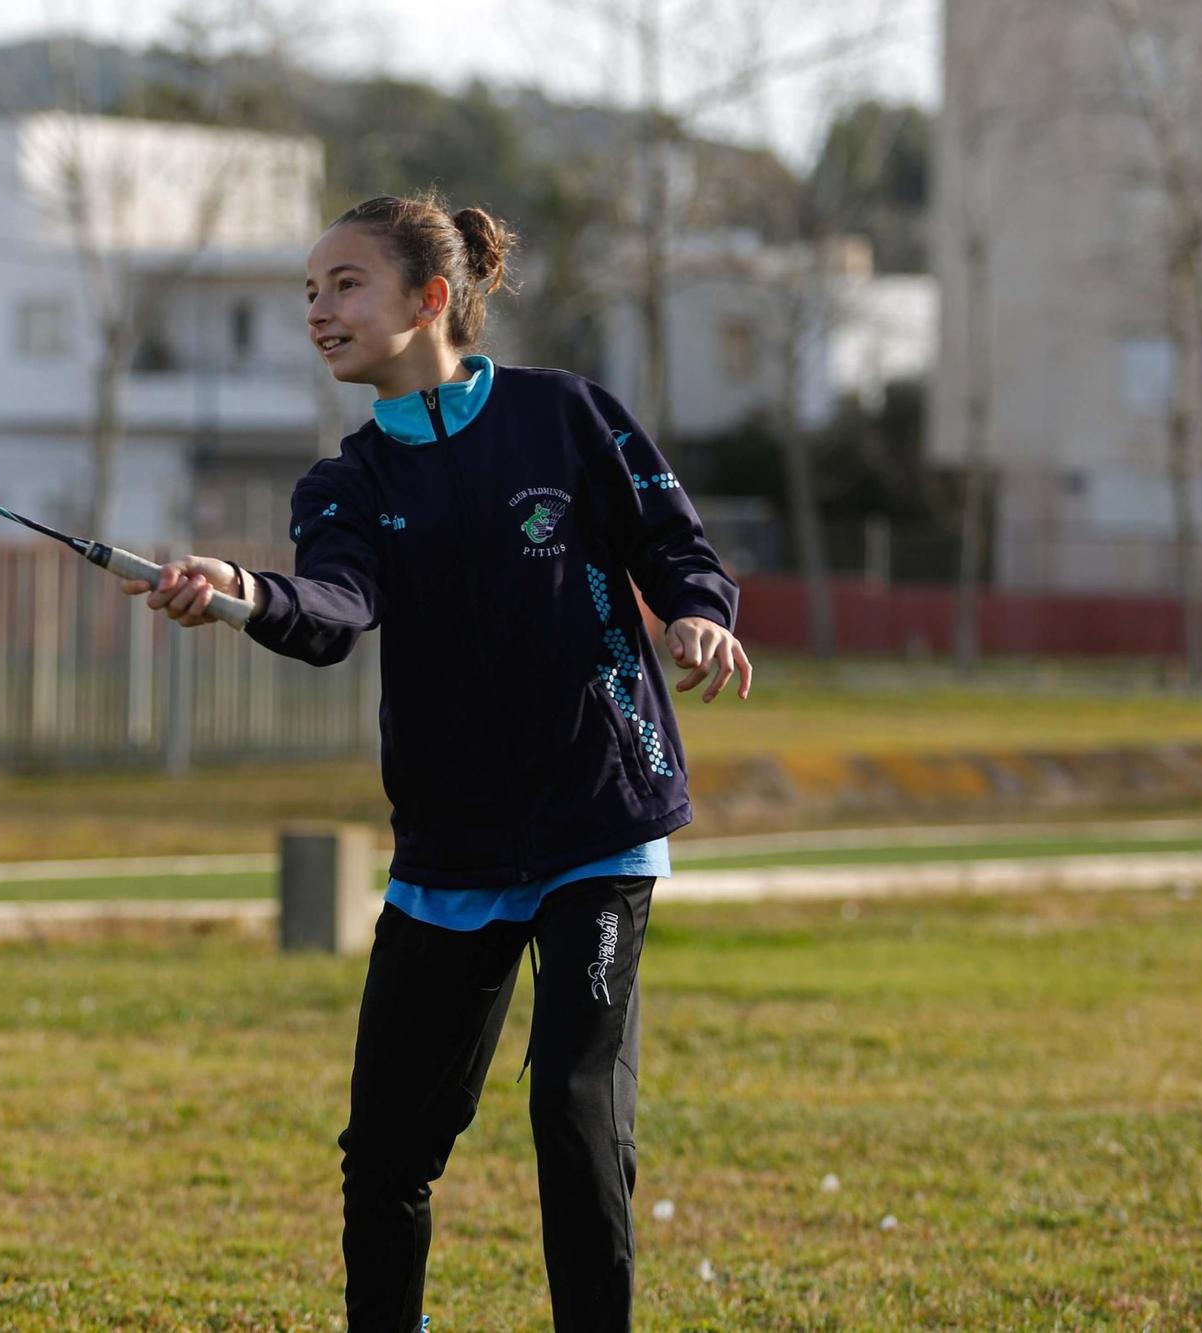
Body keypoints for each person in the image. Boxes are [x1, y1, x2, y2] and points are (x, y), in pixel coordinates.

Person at [122, 193, 750, 1332]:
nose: (317, 311)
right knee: (387, 1153)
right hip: (448, 850)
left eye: (342, 284)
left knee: (572, 1105)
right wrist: (244, 592)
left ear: (430, 298)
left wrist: (697, 614)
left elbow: (673, 542)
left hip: (597, 823)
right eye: (306, 292)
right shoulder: (345, 484)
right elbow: (332, 610)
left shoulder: (568, 417)